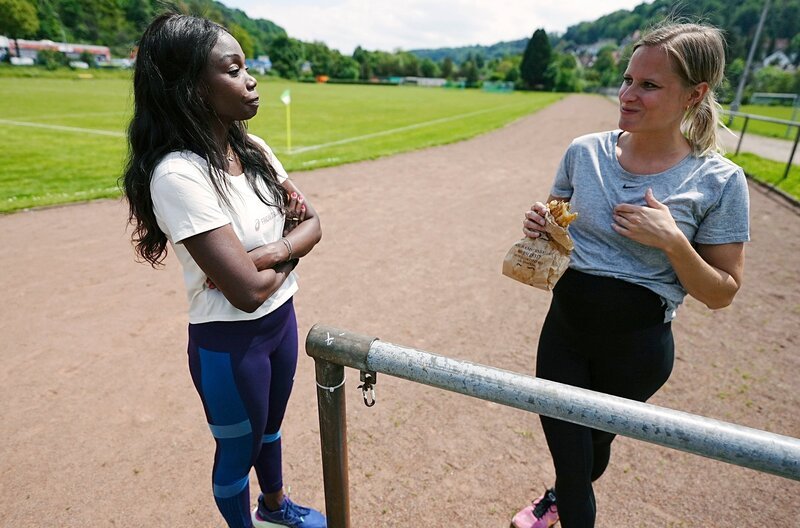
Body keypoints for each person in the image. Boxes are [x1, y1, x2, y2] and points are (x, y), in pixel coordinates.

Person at [511, 22, 750, 528]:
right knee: (576, 467)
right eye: (627, 79)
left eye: (648, 85)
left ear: (695, 94)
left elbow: (722, 292)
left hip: (638, 354)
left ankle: (554, 498)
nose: (627, 94)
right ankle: (562, 501)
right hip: (565, 335)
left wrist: (672, 240)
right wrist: (542, 224)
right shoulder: (584, 152)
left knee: (590, 449)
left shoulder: (720, 181)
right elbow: (557, 226)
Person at [122, 13, 325, 528]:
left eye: (246, 66)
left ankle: (274, 509)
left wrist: (266, 254)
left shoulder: (252, 148)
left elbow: (315, 223)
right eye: (232, 70)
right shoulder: (178, 174)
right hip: (230, 344)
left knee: (272, 429)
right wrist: (283, 251)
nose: (250, 79)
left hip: (282, 322)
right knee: (239, 452)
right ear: (191, 88)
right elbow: (247, 293)